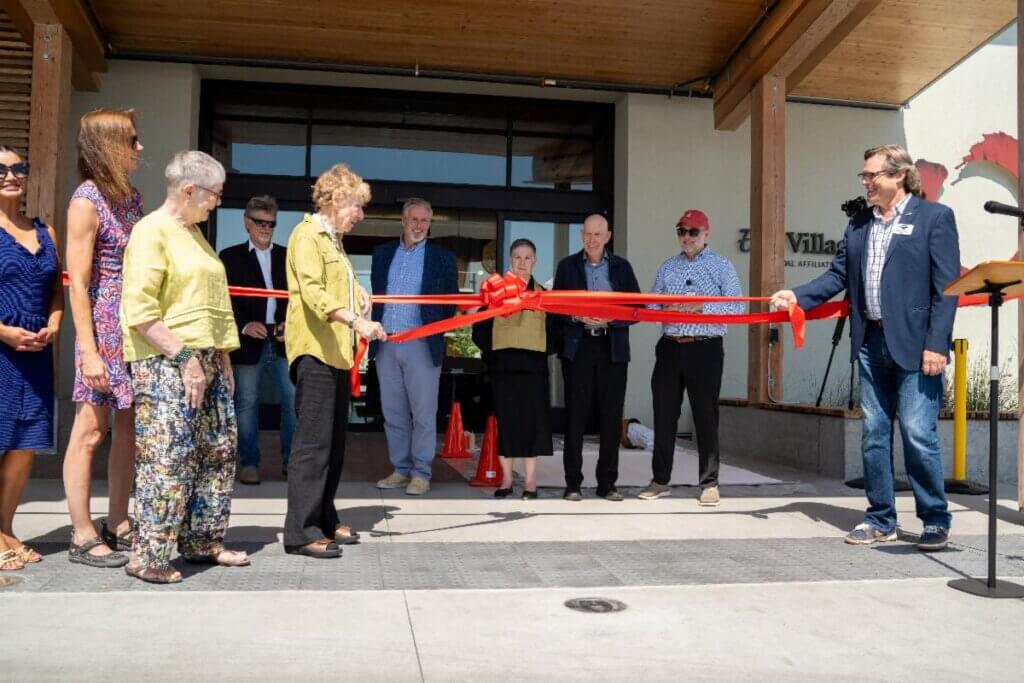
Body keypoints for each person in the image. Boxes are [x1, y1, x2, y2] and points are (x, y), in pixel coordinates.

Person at [771, 144, 959, 552]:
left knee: (916, 431)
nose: (866, 182)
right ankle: (880, 519)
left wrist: (937, 344)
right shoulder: (859, 223)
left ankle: (934, 519)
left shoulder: (934, 218)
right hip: (871, 342)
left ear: (900, 175)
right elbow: (837, 274)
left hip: (916, 345)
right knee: (874, 433)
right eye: (864, 176)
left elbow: (946, 290)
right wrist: (797, 297)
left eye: (873, 175)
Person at [121, 151, 248, 583]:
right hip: (166, 361)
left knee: (217, 451)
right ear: (189, 190)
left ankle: (202, 541)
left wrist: (223, 356)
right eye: (214, 195)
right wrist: (183, 358)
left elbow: (211, 303)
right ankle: (148, 556)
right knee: (168, 458)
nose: (216, 203)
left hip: (207, 357)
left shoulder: (194, 234)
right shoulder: (151, 231)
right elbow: (139, 309)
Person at [283, 163, 385, 559]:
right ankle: (301, 531)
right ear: (336, 198)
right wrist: (358, 321)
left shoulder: (334, 241)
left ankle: (324, 518)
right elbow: (312, 291)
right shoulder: (306, 234)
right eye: (357, 205)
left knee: (334, 445)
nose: (360, 215)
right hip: (315, 352)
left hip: (337, 355)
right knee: (312, 445)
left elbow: (334, 282)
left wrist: (357, 288)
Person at [64, 109, 144, 567]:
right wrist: (89, 350)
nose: (138, 149)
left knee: (128, 430)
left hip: (132, 326)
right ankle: (81, 532)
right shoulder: (85, 200)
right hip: (101, 329)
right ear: (107, 145)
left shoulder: (131, 198)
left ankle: (118, 522)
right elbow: (77, 280)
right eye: (131, 141)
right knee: (91, 430)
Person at [637, 209, 743, 506]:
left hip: (705, 347)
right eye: (681, 232)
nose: (686, 237)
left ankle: (709, 483)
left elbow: (736, 308)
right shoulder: (668, 266)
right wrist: (669, 308)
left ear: (706, 233)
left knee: (705, 416)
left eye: (692, 232)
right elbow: (651, 306)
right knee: (663, 413)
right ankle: (660, 480)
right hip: (670, 346)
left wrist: (702, 308)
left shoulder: (722, 266)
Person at [0, 147, 63, 571]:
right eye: (2, 169)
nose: (11, 175)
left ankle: (5, 528)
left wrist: (56, 324)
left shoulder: (46, 230)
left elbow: (56, 290)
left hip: (37, 353)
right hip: (1, 349)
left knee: (23, 447)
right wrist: (3, 331)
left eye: (19, 167)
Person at [371, 198, 457, 496]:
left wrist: (434, 333)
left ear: (429, 223)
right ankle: (400, 469)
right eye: (413, 220)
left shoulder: (443, 258)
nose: (418, 225)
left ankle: (421, 472)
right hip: (387, 342)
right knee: (393, 412)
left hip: (421, 342)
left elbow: (450, 305)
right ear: (403, 221)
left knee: (423, 412)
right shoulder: (382, 254)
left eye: (424, 220)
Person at [552, 214, 641, 501]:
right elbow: (555, 307)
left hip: (612, 349)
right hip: (578, 349)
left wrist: (611, 318)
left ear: (608, 236)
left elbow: (637, 308)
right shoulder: (567, 266)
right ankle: (573, 484)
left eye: (598, 234)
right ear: (581, 235)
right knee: (575, 418)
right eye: (588, 234)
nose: (592, 239)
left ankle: (607, 484)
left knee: (610, 417)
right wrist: (577, 315)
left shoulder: (622, 267)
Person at [219, 195, 295, 485]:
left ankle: (291, 462)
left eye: (271, 224)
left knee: (291, 401)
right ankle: (249, 463)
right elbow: (222, 302)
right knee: (247, 403)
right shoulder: (229, 257)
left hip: (282, 341)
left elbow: (298, 300)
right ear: (247, 223)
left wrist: (290, 324)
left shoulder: (287, 256)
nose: (266, 228)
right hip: (248, 342)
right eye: (260, 222)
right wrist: (243, 325)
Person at [472, 239, 553, 500]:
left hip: (533, 367)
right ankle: (506, 480)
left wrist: (537, 345)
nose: (522, 263)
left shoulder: (543, 295)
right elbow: (480, 328)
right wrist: (494, 351)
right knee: (506, 423)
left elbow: (555, 332)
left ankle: (530, 482)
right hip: (503, 366)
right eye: (517, 257)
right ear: (510, 260)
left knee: (532, 424)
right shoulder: (496, 292)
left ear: (535, 261)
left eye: (527, 257)